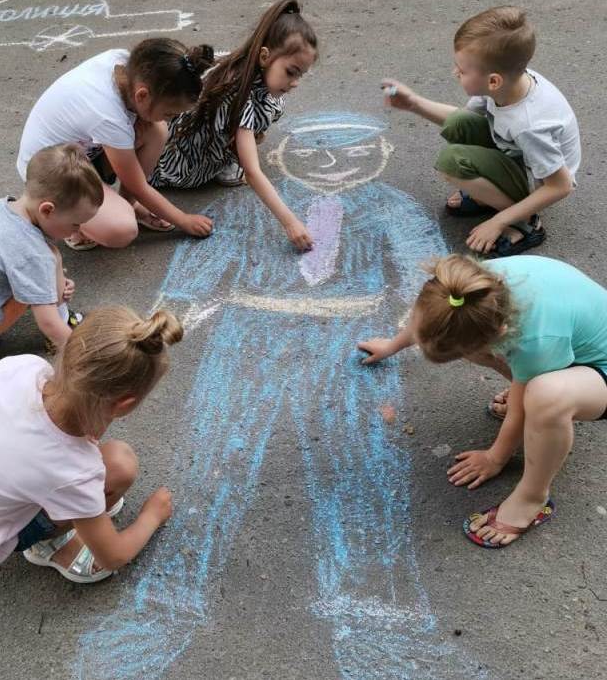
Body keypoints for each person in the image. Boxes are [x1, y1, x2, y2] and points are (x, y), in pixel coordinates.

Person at [77, 114, 477, 679]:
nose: (333, 161)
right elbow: (203, 269)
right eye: (316, 150)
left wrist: (410, 336)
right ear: (286, 153)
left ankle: (380, 617)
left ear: (378, 155)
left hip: (349, 335)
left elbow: (426, 275)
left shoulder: (390, 205)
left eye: (353, 150)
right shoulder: (257, 202)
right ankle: (166, 607)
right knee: (216, 459)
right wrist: (172, 316)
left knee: (360, 472)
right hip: (250, 329)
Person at [359, 254, 607, 548]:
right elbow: (433, 316)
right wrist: (391, 347)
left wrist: (495, 457)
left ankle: (532, 497)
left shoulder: (536, 341)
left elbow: (517, 411)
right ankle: (534, 392)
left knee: (545, 397)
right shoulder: (469, 288)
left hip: (598, 367)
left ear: (500, 333)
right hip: (567, 343)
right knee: (494, 362)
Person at [0, 307, 182, 583]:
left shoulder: (25, 369)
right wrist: (151, 517)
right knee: (120, 465)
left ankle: (64, 509)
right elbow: (114, 556)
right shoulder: (75, 470)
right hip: (1, 535)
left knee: (103, 467)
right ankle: (48, 545)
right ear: (124, 404)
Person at [382, 6, 580, 258]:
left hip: (540, 180)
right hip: (519, 154)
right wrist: (414, 103)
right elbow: (464, 120)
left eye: (463, 71)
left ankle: (526, 222)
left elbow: (560, 186)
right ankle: (492, 196)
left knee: (451, 162)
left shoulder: (530, 125)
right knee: (459, 125)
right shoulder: (509, 83)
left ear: (493, 80)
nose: (456, 73)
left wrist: (498, 221)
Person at [150, 0, 318, 251]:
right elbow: (252, 173)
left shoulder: (241, 63)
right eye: (291, 72)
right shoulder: (239, 97)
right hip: (182, 168)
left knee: (275, 103)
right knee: (266, 108)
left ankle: (227, 151)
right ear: (264, 56)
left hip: (185, 142)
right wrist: (291, 223)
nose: (295, 82)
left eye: (300, 75)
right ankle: (221, 160)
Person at [17, 37, 216, 250]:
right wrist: (184, 220)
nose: (169, 118)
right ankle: (72, 223)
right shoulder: (107, 115)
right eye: (169, 112)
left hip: (79, 155)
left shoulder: (126, 65)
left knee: (156, 130)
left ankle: (123, 206)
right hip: (50, 178)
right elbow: (137, 186)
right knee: (122, 230)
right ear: (142, 95)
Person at [0, 143, 101, 353]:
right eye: (75, 224)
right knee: (51, 257)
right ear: (47, 210)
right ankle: (65, 323)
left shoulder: (1, 206)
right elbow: (49, 323)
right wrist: (80, 353)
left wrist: (51, 282)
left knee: (44, 268)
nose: (78, 231)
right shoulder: (32, 253)